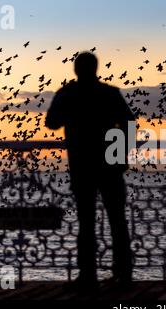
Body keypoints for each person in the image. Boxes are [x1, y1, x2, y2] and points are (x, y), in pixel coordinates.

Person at [46, 52, 135, 292]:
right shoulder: (110, 93)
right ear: (96, 69)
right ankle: (124, 274)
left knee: (86, 223)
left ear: (75, 70)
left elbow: (51, 123)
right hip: (110, 165)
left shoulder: (67, 94)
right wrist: (119, 154)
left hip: (82, 166)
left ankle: (88, 276)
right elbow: (129, 123)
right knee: (117, 221)